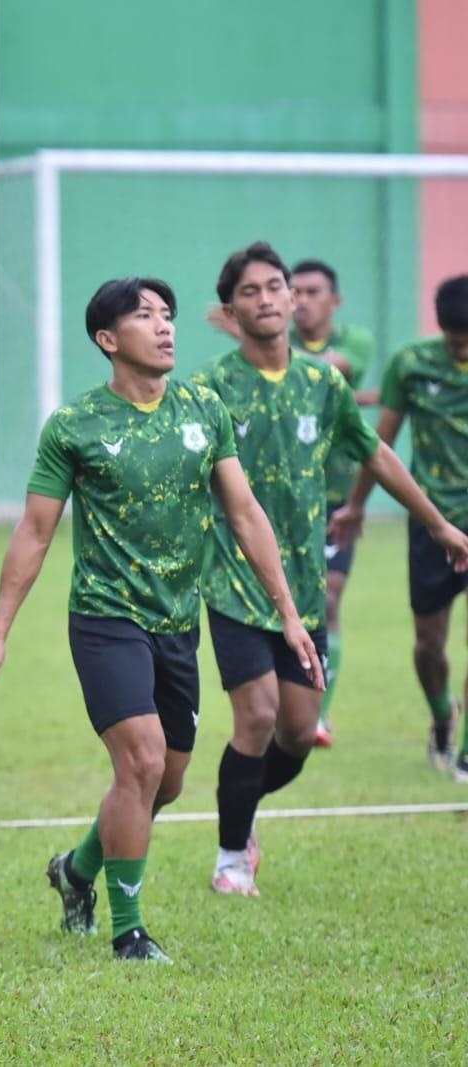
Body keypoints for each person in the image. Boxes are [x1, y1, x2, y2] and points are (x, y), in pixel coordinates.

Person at [0, 276, 313, 964]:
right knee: (142, 759)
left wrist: (289, 613)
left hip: (177, 621)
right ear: (107, 339)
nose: (165, 327)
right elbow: (35, 532)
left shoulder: (202, 409)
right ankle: (129, 931)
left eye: (168, 315)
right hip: (105, 618)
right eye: (145, 316)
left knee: (166, 781)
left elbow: (244, 513)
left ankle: (76, 868)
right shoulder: (75, 426)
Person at [195, 242, 468, 898]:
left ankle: (242, 808)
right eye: (250, 290)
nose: (266, 298)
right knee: (256, 718)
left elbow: (376, 454)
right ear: (230, 309)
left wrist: (436, 523)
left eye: (275, 286)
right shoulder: (208, 388)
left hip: (304, 584)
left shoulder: (323, 384)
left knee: (295, 732)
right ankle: (232, 856)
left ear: (293, 299)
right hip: (235, 579)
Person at [334, 274, 468, 781]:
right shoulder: (411, 364)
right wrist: (356, 506)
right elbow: (380, 443)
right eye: (457, 340)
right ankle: (441, 718)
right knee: (429, 643)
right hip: (433, 522)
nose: (462, 349)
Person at [287, 260, 378, 746]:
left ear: (334, 300)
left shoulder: (353, 342)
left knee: (328, 601)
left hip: (336, 502)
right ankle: (288, 705)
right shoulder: (272, 348)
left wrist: (258, 345)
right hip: (280, 504)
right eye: (294, 290)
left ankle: (319, 714)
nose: (301, 300)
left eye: (312, 291)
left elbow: (334, 370)